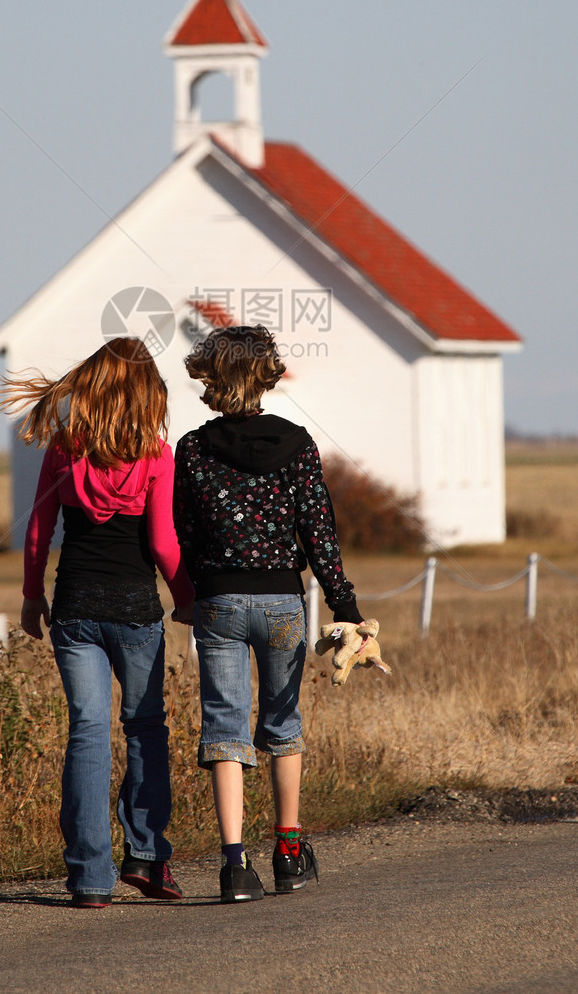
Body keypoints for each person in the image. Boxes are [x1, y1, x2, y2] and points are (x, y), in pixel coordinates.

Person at [0, 336, 194, 909]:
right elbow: (161, 541)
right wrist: (187, 597)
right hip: (135, 610)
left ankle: (88, 877)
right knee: (144, 727)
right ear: (146, 392)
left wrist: (33, 598)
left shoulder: (65, 448)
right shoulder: (158, 455)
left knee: (86, 730)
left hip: (76, 607)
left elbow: (38, 533)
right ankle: (148, 857)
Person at [172, 324, 366, 903]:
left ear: (211, 378)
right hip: (284, 602)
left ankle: (234, 866)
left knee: (224, 729)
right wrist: (346, 607)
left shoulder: (193, 448)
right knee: (283, 724)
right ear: (267, 374)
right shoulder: (298, 443)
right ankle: (288, 850)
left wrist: (191, 592)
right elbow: (319, 531)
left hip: (219, 603)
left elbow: (182, 531)